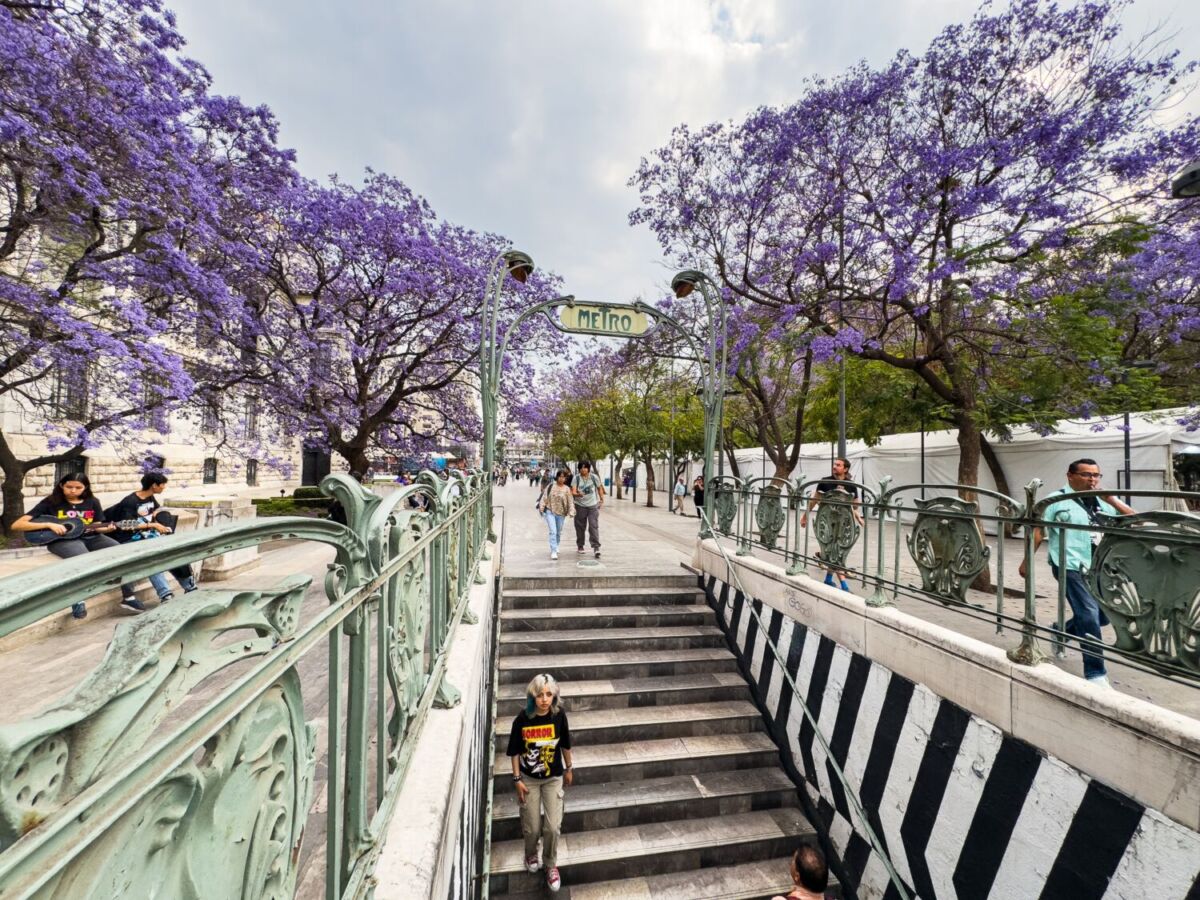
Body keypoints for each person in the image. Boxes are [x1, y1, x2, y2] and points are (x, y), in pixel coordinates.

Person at [1018, 458, 1134, 688]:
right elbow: (1039, 532)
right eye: (1086, 474)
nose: (1092, 479)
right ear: (1070, 475)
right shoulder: (1055, 500)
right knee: (1090, 615)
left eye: (1096, 475)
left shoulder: (1105, 499)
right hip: (1070, 565)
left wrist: (1111, 499)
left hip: (1102, 567)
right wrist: (1026, 561)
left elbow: (1135, 521)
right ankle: (1095, 673)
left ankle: (1060, 631)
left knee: (1104, 616)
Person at [11, 472, 146, 618]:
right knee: (83, 560)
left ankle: (128, 597)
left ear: (85, 487)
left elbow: (97, 526)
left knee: (122, 552)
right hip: (64, 540)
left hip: (92, 537)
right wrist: (49, 524)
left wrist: (106, 528)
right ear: (62, 485)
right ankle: (78, 600)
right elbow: (17, 525)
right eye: (69, 487)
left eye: (78, 487)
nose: (73, 491)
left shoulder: (93, 501)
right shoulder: (51, 501)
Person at [507, 673, 573, 894]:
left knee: (552, 827)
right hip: (529, 780)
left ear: (554, 696)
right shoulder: (522, 719)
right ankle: (530, 853)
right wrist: (517, 779)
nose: (544, 699)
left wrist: (569, 768)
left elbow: (565, 743)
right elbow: (515, 751)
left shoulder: (559, 716)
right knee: (533, 827)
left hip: (553, 778)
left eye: (548, 694)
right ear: (532, 696)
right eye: (539, 695)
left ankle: (551, 864)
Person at [105, 472, 197, 603]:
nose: (164, 487)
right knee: (152, 559)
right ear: (154, 485)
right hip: (129, 538)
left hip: (147, 535)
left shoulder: (150, 497)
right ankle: (165, 594)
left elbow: (155, 510)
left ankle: (190, 586)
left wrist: (159, 518)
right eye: (163, 484)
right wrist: (152, 524)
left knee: (174, 552)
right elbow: (126, 524)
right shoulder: (130, 501)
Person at [799, 457, 864, 592]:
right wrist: (805, 516)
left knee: (834, 551)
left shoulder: (851, 485)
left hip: (844, 523)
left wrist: (846, 497)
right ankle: (844, 586)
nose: (835, 467)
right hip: (827, 522)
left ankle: (828, 579)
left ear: (845, 469)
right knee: (835, 551)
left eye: (838, 465)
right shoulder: (825, 481)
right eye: (834, 464)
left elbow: (856, 505)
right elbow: (814, 500)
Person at [537, 469, 575, 560]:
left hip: (561, 513)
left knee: (558, 531)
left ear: (566, 478)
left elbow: (570, 501)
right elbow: (544, 497)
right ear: (557, 477)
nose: (561, 479)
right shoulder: (550, 486)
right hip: (550, 511)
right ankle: (553, 551)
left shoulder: (567, 489)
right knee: (553, 531)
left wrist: (571, 511)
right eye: (560, 476)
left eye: (564, 477)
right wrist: (541, 508)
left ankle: (557, 544)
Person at [570, 461, 604, 558]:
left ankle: (596, 547)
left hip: (593, 506)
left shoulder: (594, 477)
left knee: (593, 526)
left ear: (588, 468)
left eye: (585, 467)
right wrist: (578, 494)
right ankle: (580, 545)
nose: (583, 469)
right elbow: (573, 491)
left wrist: (601, 499)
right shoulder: (576, 478)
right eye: (581, 467)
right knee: (580, 527)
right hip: (580, 505)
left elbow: (599, 488)